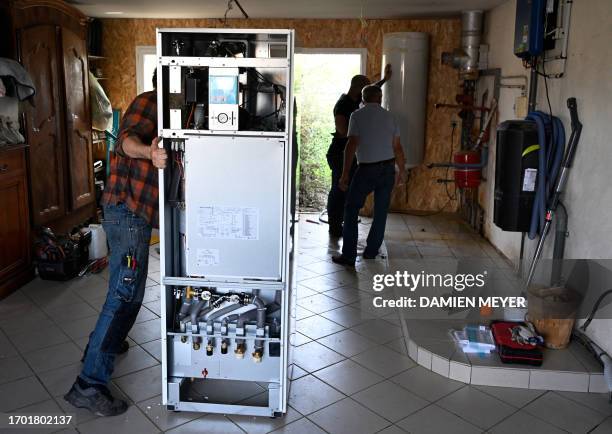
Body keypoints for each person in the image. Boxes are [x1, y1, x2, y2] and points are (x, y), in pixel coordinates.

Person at [64, 70, 167, 416]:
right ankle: (89, 384)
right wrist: (148, 155)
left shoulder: (169, 110)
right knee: (126, 294)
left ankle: (103, 342)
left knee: (123, 292)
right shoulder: (150, 102)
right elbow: (125, 140)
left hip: (129, 212)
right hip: (127, 211)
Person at [332, 85, 406, 267]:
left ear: (362, 99)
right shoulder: (390, 117)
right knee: (380, 211)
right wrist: (402, 170)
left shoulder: (357, 116)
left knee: (351, 208)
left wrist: (345, 174)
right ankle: (371, 252)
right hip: (388, 168)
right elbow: (397, 147)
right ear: (380, 99)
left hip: (366, 170)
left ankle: (348, 256)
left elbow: (352, 145)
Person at [326, 65, 392, 237]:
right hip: (339, 153)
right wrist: (363, 131)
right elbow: (342, 130)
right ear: (356, 88)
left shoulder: (356, 101)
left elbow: (370, 92)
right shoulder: (342, 105)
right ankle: (334, 226)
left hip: (350, 154)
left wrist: (384, 79)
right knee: (339, 189)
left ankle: (341, 223)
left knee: (346, 190)